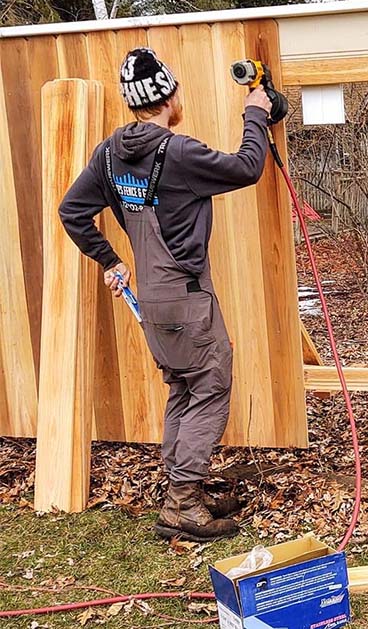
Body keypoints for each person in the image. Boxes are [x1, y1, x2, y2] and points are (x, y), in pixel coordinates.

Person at [59, 48, 272, 542]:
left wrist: (112, 260)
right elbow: (247, 167)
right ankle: (183, 504)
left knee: (183, 388)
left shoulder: (108, 155)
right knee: (211, 386)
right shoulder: (178, 152)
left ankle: (182, 494)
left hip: (152, 300)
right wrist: (256, 113)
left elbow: (73, 211)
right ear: (169, 96)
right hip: (187, 296)